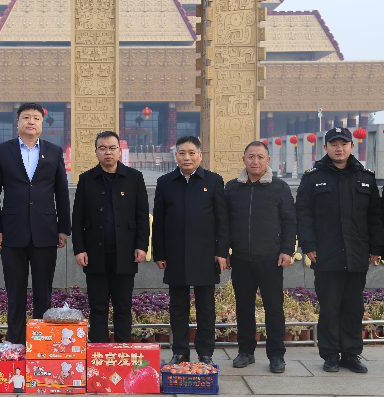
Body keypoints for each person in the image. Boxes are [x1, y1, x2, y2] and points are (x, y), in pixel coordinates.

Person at [297, 127, 383, 373]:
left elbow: (375, 216)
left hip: (357, 253)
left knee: (354, 307)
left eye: (344, 144)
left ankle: (351, 354)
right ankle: (331, 355)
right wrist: (308, 245)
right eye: (334, 144)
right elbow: (303, 213)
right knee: (330, 307)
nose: (339, 149)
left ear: (352, 147)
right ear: (325, 148)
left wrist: (376, 247)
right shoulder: (313, 177)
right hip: (326, 253)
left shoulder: (366, 177)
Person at [0, 102, 71, 345]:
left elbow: (61, 193)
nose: (31, 121)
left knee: (43, 292)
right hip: (12, 232)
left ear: (42, 123)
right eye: (26, 117)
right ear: (18, 122)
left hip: (46, 231)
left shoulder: (54, 151)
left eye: (36, 118)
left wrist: (63, 228)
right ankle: (16, 343)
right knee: (15, 293)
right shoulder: (3, 151)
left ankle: (40, 344)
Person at [152, 136, 228, 364]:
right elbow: (159, 221)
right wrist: (159, 253)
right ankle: (180, 351)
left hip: (205, 254)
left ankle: (205, 353)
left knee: (206, 307)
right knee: (178, 306)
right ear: (176, 155)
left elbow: (222, 220)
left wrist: (221, 251)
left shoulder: (213, 181)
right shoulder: (165, 182)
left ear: (200, 155)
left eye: (192, 153)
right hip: (175, 254)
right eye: (182, 153)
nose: (187, 157)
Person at [224, 141, 296, 373]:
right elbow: (224, 224)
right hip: (241, 258)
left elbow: (289, 221)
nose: (255, 161)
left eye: (260, 157)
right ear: (243, 159)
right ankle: (246, 351)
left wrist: (287, 250)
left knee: (273, 308)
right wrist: (224, 251)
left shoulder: (279, 187)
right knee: (244, 307)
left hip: (270, 258)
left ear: (268, 160)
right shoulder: (232, 188)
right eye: (251, 157)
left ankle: (276, 355)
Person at [72, 131, 149, 343]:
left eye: (112, 148)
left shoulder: (134, 178)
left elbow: (142, 216)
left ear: (119, 151)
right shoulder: (86, 179)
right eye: (103, 148)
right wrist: (79, 249)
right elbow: (77, 218)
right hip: (94, 253)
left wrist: (142, 246)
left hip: (125, 252)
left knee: (123, 306)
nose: (108, 152)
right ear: (96, 152)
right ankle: (100, 351)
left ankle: (122, 350)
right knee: (98, 307)